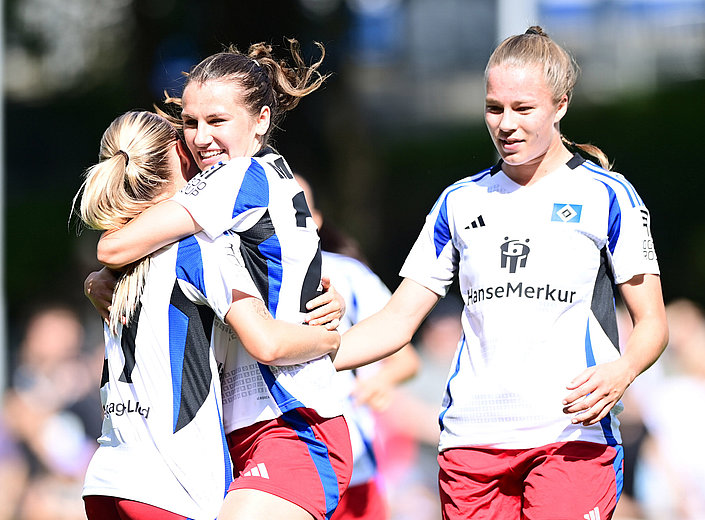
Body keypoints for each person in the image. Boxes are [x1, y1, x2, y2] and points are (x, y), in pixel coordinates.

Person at [334, 26, 668, 520]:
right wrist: (306, 356)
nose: (505, 124)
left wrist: (622, 372)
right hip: (471, 442)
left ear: (561, 105)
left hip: (569, 438)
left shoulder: (607, 194)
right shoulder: (459, 201)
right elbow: (397, 321)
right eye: (494, 108)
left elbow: (653, 323)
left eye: (523, 108)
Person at [85, 41, 353, 520]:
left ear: (262, 121)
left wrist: (104, 271)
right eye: (191, 122)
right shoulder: (249, 187)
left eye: (217, 121)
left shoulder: (238, 177)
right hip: (237, 429)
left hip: (290, 419)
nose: (201, 137)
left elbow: (114, 245)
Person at [295, 173, 420, 520]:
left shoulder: (347, 275)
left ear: (317, 222)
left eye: (299, 210)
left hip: (350, 457)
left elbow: (405, 359)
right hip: (278, 458)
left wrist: (381, 381)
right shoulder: (239, 277)